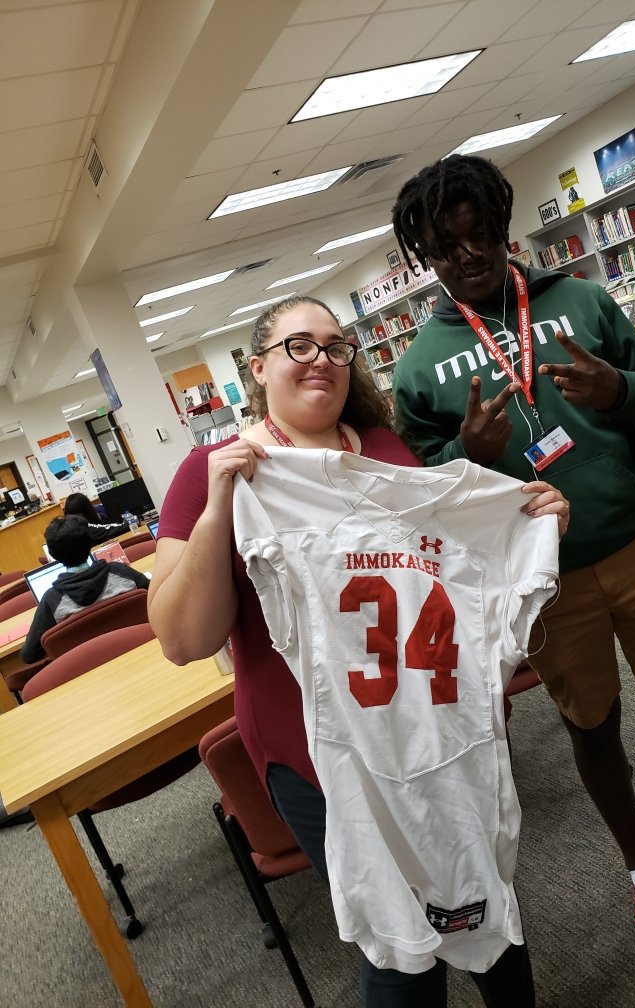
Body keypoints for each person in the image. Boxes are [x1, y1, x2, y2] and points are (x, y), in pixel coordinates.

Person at [148, 294, 570, 1007]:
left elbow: (448, 561)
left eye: (337, 346)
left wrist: (524, 522)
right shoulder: (215, 470)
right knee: (401, 939)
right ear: (257, 367)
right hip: (320, 750)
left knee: (481, 894)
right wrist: (222, 509)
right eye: (298, 346)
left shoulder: (385, 448)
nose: (322, 359)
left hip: (430, 727)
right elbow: (183, 638)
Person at [389, 153, 635, 960]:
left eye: (481, 234)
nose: (471, 256)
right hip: (539, 577)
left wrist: (617, 391)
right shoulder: (414, 369)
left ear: (502, 229)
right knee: (594, 727)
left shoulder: (581, 300)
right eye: (448, 249)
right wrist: (465, 453)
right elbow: (424, 501)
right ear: (425, 260)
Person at [20, 514, 149, 663]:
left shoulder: (52, 600)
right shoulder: (121, 572)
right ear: (90, 543)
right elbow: (159, 598)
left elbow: (29, 655)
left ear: (53, 555)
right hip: (143, 653)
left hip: (88, 675)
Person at [63, 491, 129, 544]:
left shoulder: (68, 528)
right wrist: (131, 520)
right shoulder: (86, 527)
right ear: (87, 509)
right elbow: (120, 527)